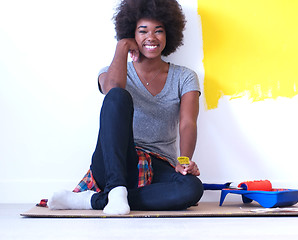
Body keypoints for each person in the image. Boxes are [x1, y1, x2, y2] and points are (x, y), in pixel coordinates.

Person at [47, 0, 204, 215]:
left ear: (169, 35)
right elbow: (112, 91)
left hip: (158, 164)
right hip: (116, 160)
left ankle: (96, 200)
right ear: (132, 34)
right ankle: (116, 188)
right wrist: (121, 48)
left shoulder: (184, 77)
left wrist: (184, 162)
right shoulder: (111, 71)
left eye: (159, 31)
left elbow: (188, 122)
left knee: (192, 189)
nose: (151, 37)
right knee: (118, 96)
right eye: (143, 31)